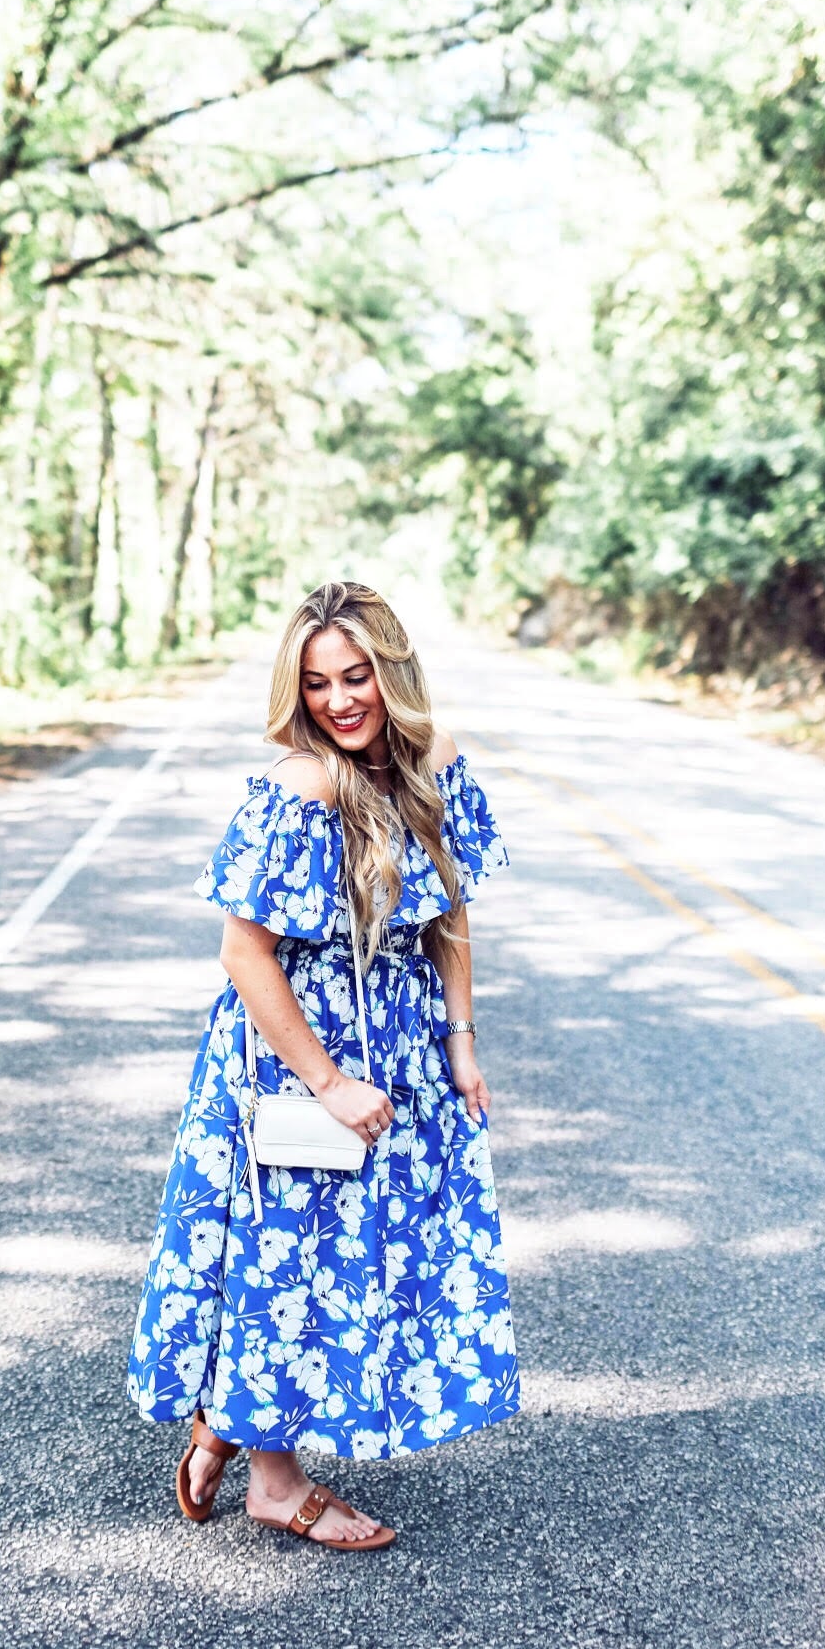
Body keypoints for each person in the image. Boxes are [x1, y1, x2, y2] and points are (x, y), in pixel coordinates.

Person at [128, 580, 519, 1550]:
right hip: (291, 1046)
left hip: (401, 1037)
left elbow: (451, 910)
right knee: (290, 1253)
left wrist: (460, 1041)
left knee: (367, 1253)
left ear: (393, 672)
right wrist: (328, 1080)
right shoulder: (299, 788)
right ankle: (273, 1477)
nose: (340, 700)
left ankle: (229, 1417)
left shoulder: (436, 762)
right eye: (317, 684)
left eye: (357, 677)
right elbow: (242, 950)